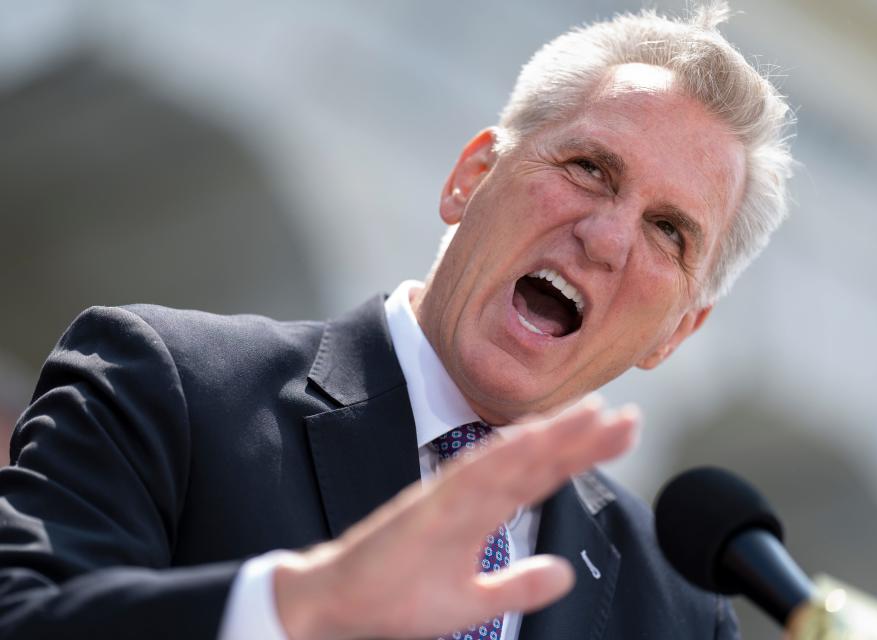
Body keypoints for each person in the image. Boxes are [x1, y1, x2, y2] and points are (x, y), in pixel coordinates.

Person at [0, 3, 793, 639]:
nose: (608, 237)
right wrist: (298, 608)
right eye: (589, 168)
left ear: (676, 334)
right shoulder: (168, 381)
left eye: (668, 231)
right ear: (470, 178)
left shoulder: (683, 609)